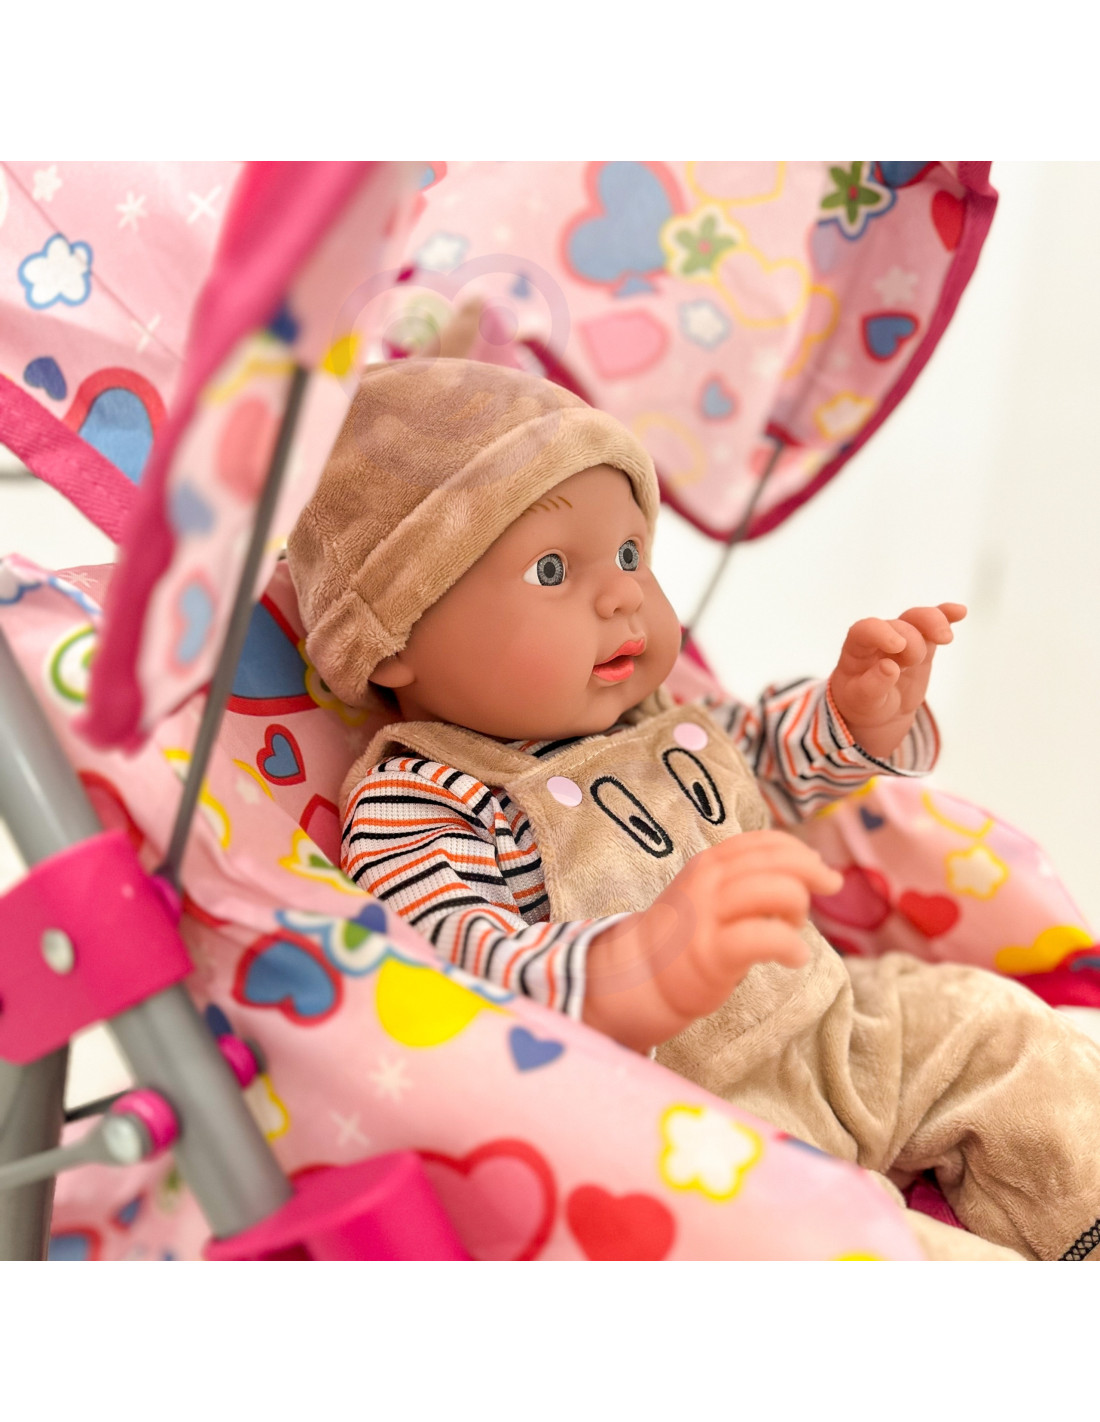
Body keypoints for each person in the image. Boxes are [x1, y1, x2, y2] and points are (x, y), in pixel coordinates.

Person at [288, 356, 1100, 1261]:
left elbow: (766, 760)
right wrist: (628, 969)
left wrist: (850, 715)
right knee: (842, 1249)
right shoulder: (420, 797)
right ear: (393, 641)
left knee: (999, 1034)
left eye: (631, 554)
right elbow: (449, 972)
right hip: (688, 1125)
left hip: (837, 1023)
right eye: (552, 569)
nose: (623, 593)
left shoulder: (657, 714)